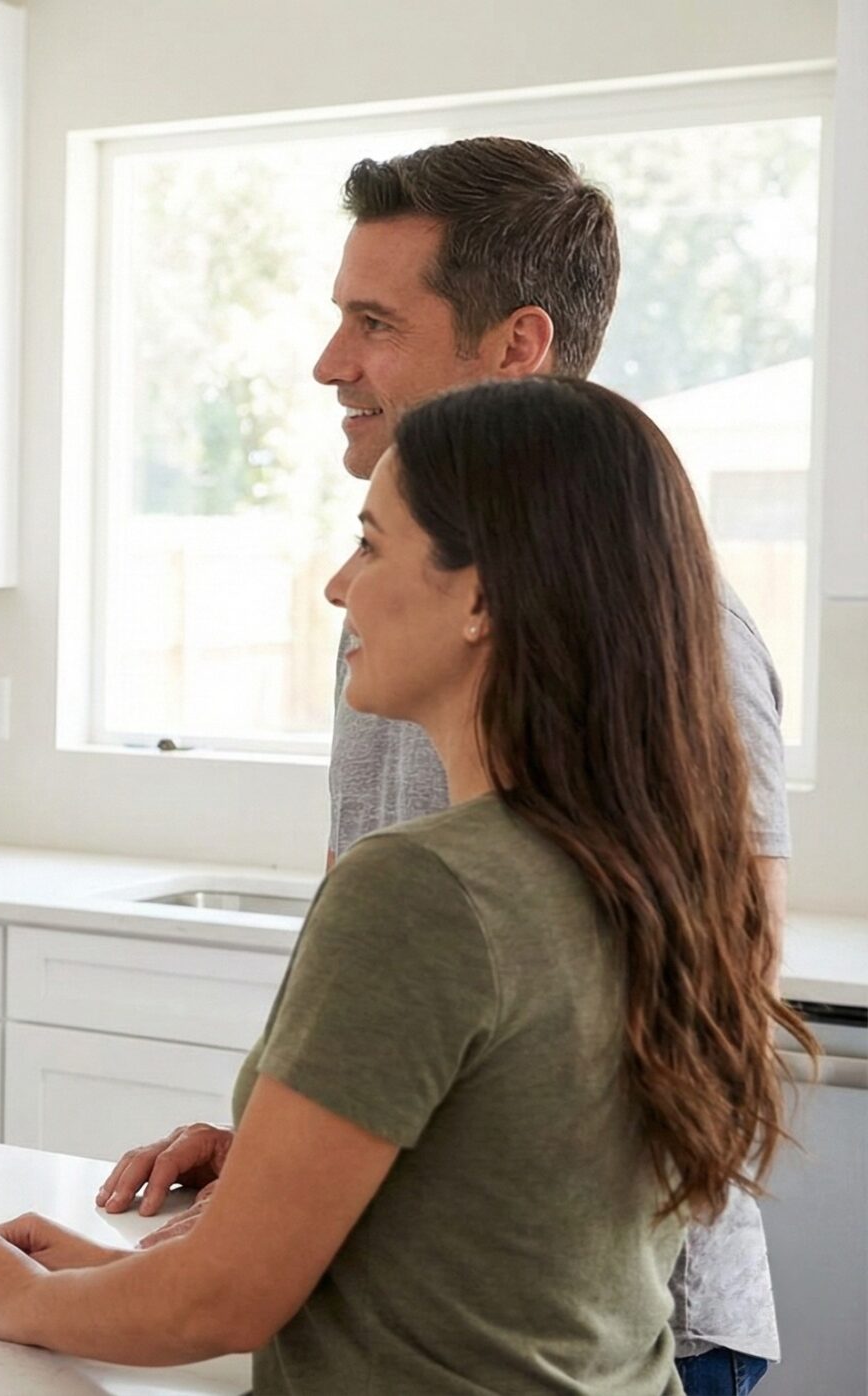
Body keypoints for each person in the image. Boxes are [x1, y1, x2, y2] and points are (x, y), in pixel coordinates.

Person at [0, 377, 814, 1393]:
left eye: (372, 544)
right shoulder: (645, 868)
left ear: (480, 597)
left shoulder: (426, 887)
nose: (339, 587)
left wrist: (13, 1296)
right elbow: (494, 1256)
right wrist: (126, 1276)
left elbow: (225, 1302)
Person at [94, 137, 793, 1395]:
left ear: (516, 345)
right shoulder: (400, 615)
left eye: (374, 322)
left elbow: (712, 1006)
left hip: (628, 1327)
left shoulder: (677, 637)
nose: (329, 364)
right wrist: (278, 1157)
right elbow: (370, 995)